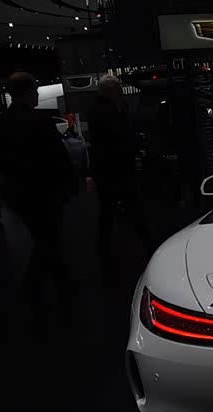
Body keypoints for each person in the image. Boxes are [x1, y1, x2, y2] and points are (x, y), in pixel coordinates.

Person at [0, 72, 74, 307]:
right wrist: (68, 184)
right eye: (35, 90)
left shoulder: (1, 122)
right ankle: (41, 288)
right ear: (27, 92)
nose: (37, 94)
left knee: (45, 240)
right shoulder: (40, 120)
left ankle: (54, 286)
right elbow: (58, 157)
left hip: (19, 192)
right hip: (47, 191)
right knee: (48, 240)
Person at [88, 75, 155, 271]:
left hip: (108, 171)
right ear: (110, 90)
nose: (121, 91)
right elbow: (119, 137)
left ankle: (106, 255)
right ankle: (149, 247)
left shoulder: (97, 109)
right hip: (117, 170)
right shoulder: (110, 110)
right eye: (118, 88)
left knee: (108, 215)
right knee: (133, 210)